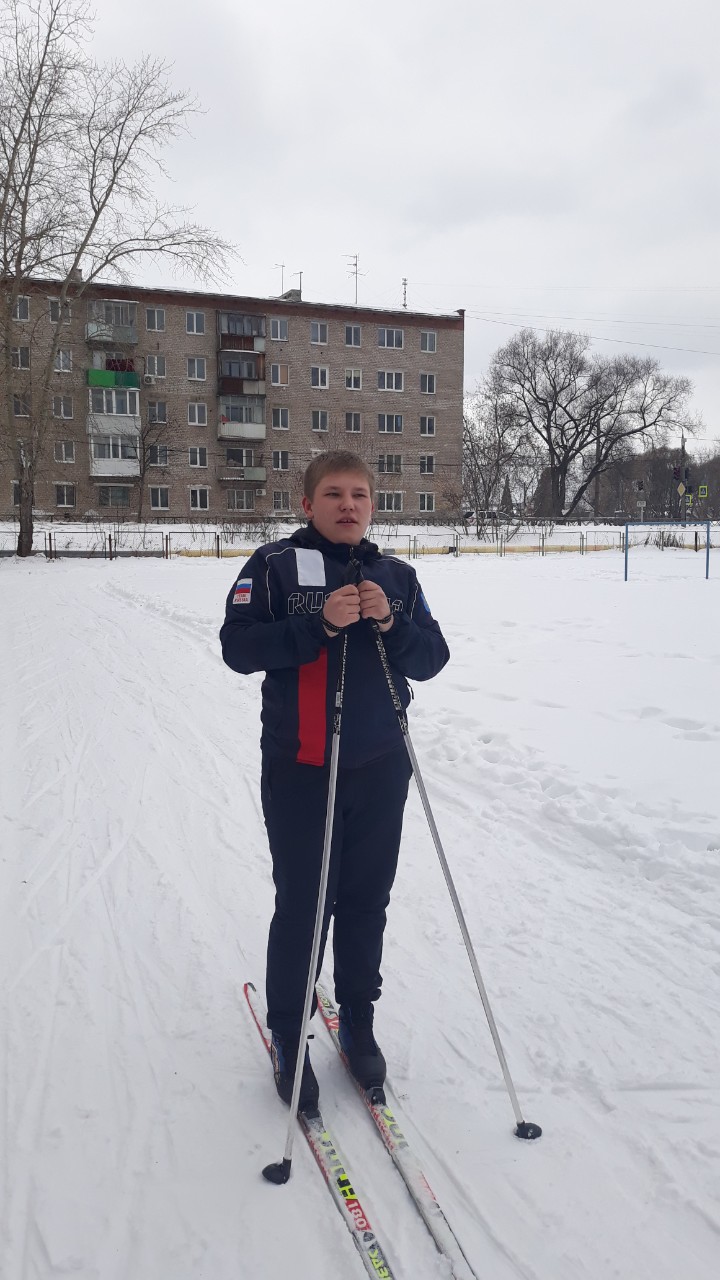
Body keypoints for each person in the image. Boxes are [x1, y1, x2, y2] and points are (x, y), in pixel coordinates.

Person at [220, 451, 449, 1109]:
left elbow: (432, 658)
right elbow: (238, 647)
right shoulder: (274, 566)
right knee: (304, 906)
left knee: (366, 902)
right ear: (307, 503)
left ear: (373, 505)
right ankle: (290, 1034)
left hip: (380, 769)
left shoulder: (397, 576)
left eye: (359, 495)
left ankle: (358, 1020)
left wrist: (391, 623)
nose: (348, 505)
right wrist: (318, 625)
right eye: (333, 494)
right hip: (302, 769)